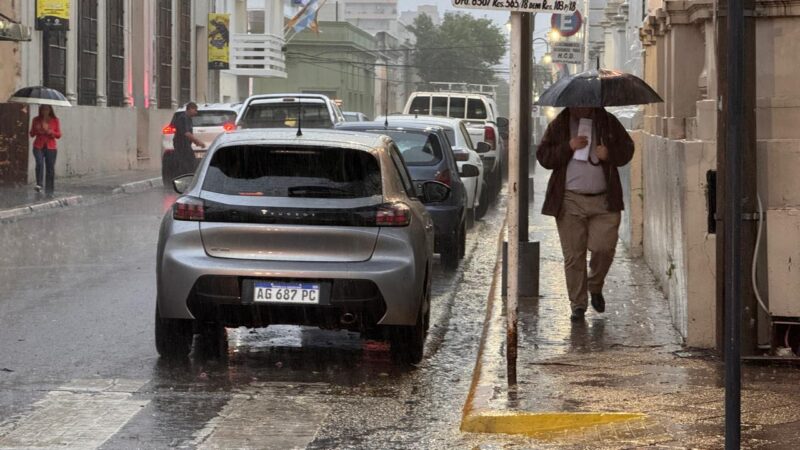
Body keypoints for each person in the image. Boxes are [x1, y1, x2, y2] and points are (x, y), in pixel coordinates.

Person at [536, 107, 634, 322]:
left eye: (586, 103)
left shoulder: (608, 122)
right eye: (577, 103)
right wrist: (568, 147)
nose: (581, 106)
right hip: (570, 200)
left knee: (604, 248)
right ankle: (578, 304)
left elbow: (627, 149)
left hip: (604, 201)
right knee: (574, 255)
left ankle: (595, 285)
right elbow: (543, 156)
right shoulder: (560, 124)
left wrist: (609, 154)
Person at [29, 105, 62, 197]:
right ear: (40, 110)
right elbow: (31, 134)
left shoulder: (55, 120)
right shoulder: (36, 120)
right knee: (39, 163)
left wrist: (52, 132)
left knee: (50, 168)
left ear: (50, 110)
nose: (45, 111)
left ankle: (49, 190)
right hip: (38, 146)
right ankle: (39, 184)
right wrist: (37, 129)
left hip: (51, 147)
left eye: (47, 109)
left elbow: (59, 135)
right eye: (43, 109)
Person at [172, 102, 206, 177]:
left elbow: (189, 133)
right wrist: (198, 141)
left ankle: (188, 176)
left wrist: (195, 142)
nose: (196, 112)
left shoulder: (188, 118)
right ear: (190, 109)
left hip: (186, 144)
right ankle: (185, 177)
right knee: (186, 162)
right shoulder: (183, 118)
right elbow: (186, 133)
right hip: (181, 144)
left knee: (189, 161)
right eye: (195, 110)